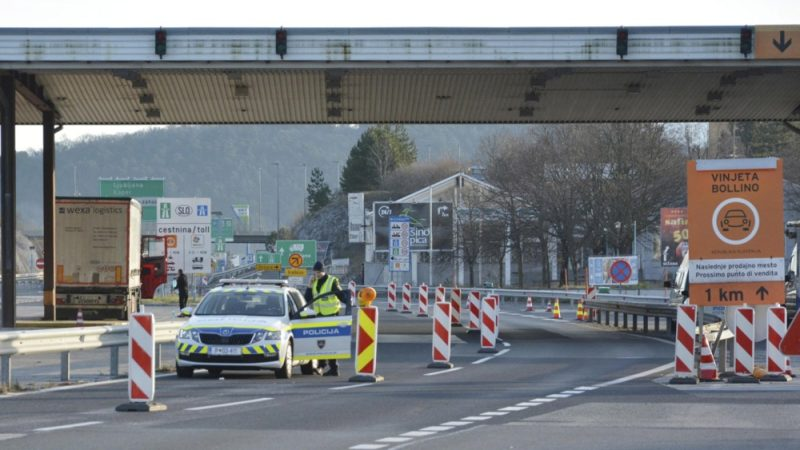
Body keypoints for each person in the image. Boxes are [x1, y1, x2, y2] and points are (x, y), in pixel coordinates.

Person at [304, 261, 346, 376]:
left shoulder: (332, 281)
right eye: (315, 272)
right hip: (320, 316)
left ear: (323, 271)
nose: (316, 274)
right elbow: (307, 299)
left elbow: (341, 295)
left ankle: (333, 368)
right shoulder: (314, 282)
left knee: (330, 343)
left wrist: (349, 304)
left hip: (331, 316)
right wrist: (309, 286)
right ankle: (322, 365)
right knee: (321, 342)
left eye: (318, 272)